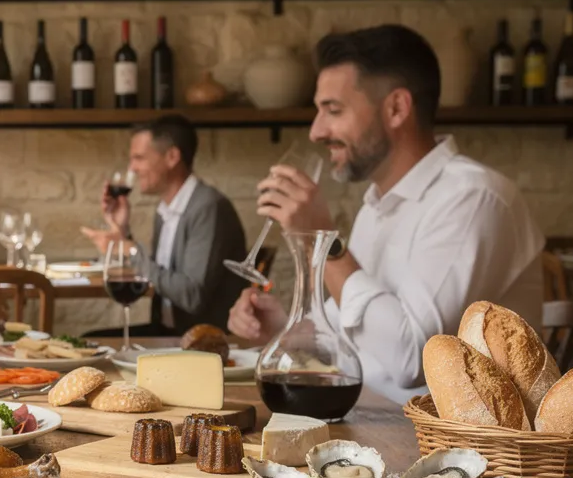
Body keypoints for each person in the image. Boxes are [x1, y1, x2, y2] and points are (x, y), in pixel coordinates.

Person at [228, 25, 544, 403]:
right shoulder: (378, 203)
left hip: (449, 450)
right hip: (372, 424)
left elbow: (412, 360)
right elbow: (358, 333)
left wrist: (326, 242)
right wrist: (281, 328)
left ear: (396, 108)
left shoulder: (474, 199)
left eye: (333, 110)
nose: (316, 131)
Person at [80, 115, 247, 336]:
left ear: (172, 157)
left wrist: (129, 248)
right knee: (90, 342)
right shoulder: (165, 211)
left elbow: (191, 297)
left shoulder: (208, 208)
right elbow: (160, 278)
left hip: (201, 340)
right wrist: (123, 230)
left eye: (139, 158)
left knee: (95, 347)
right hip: (167, 332)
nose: (132, 168)